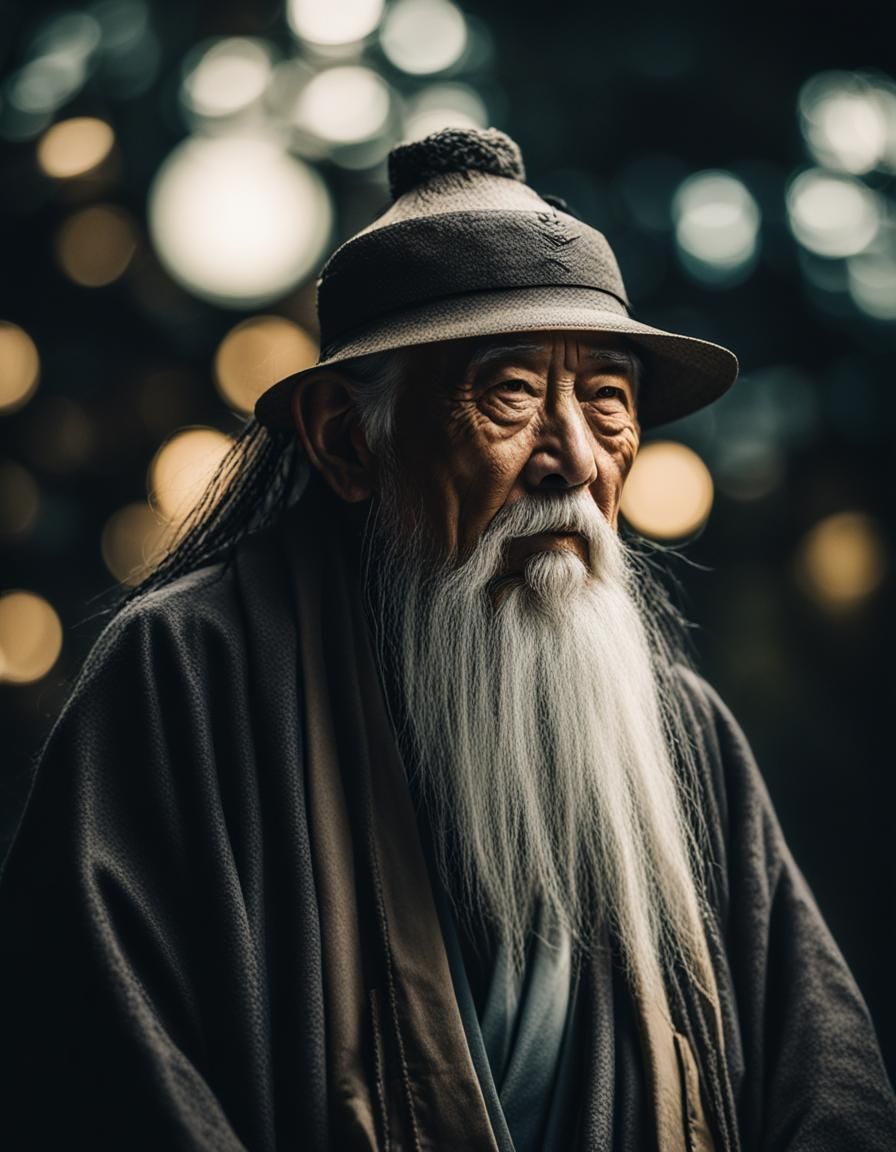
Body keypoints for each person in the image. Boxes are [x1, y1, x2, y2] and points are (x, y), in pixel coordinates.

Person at [0, 127, 893, 1152]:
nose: (569, 460)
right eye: (508, 394)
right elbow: (94, 1078)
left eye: (606, 403)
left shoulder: (680, 728)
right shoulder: (187, 677)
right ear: (346, 439)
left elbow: (826, 1087)